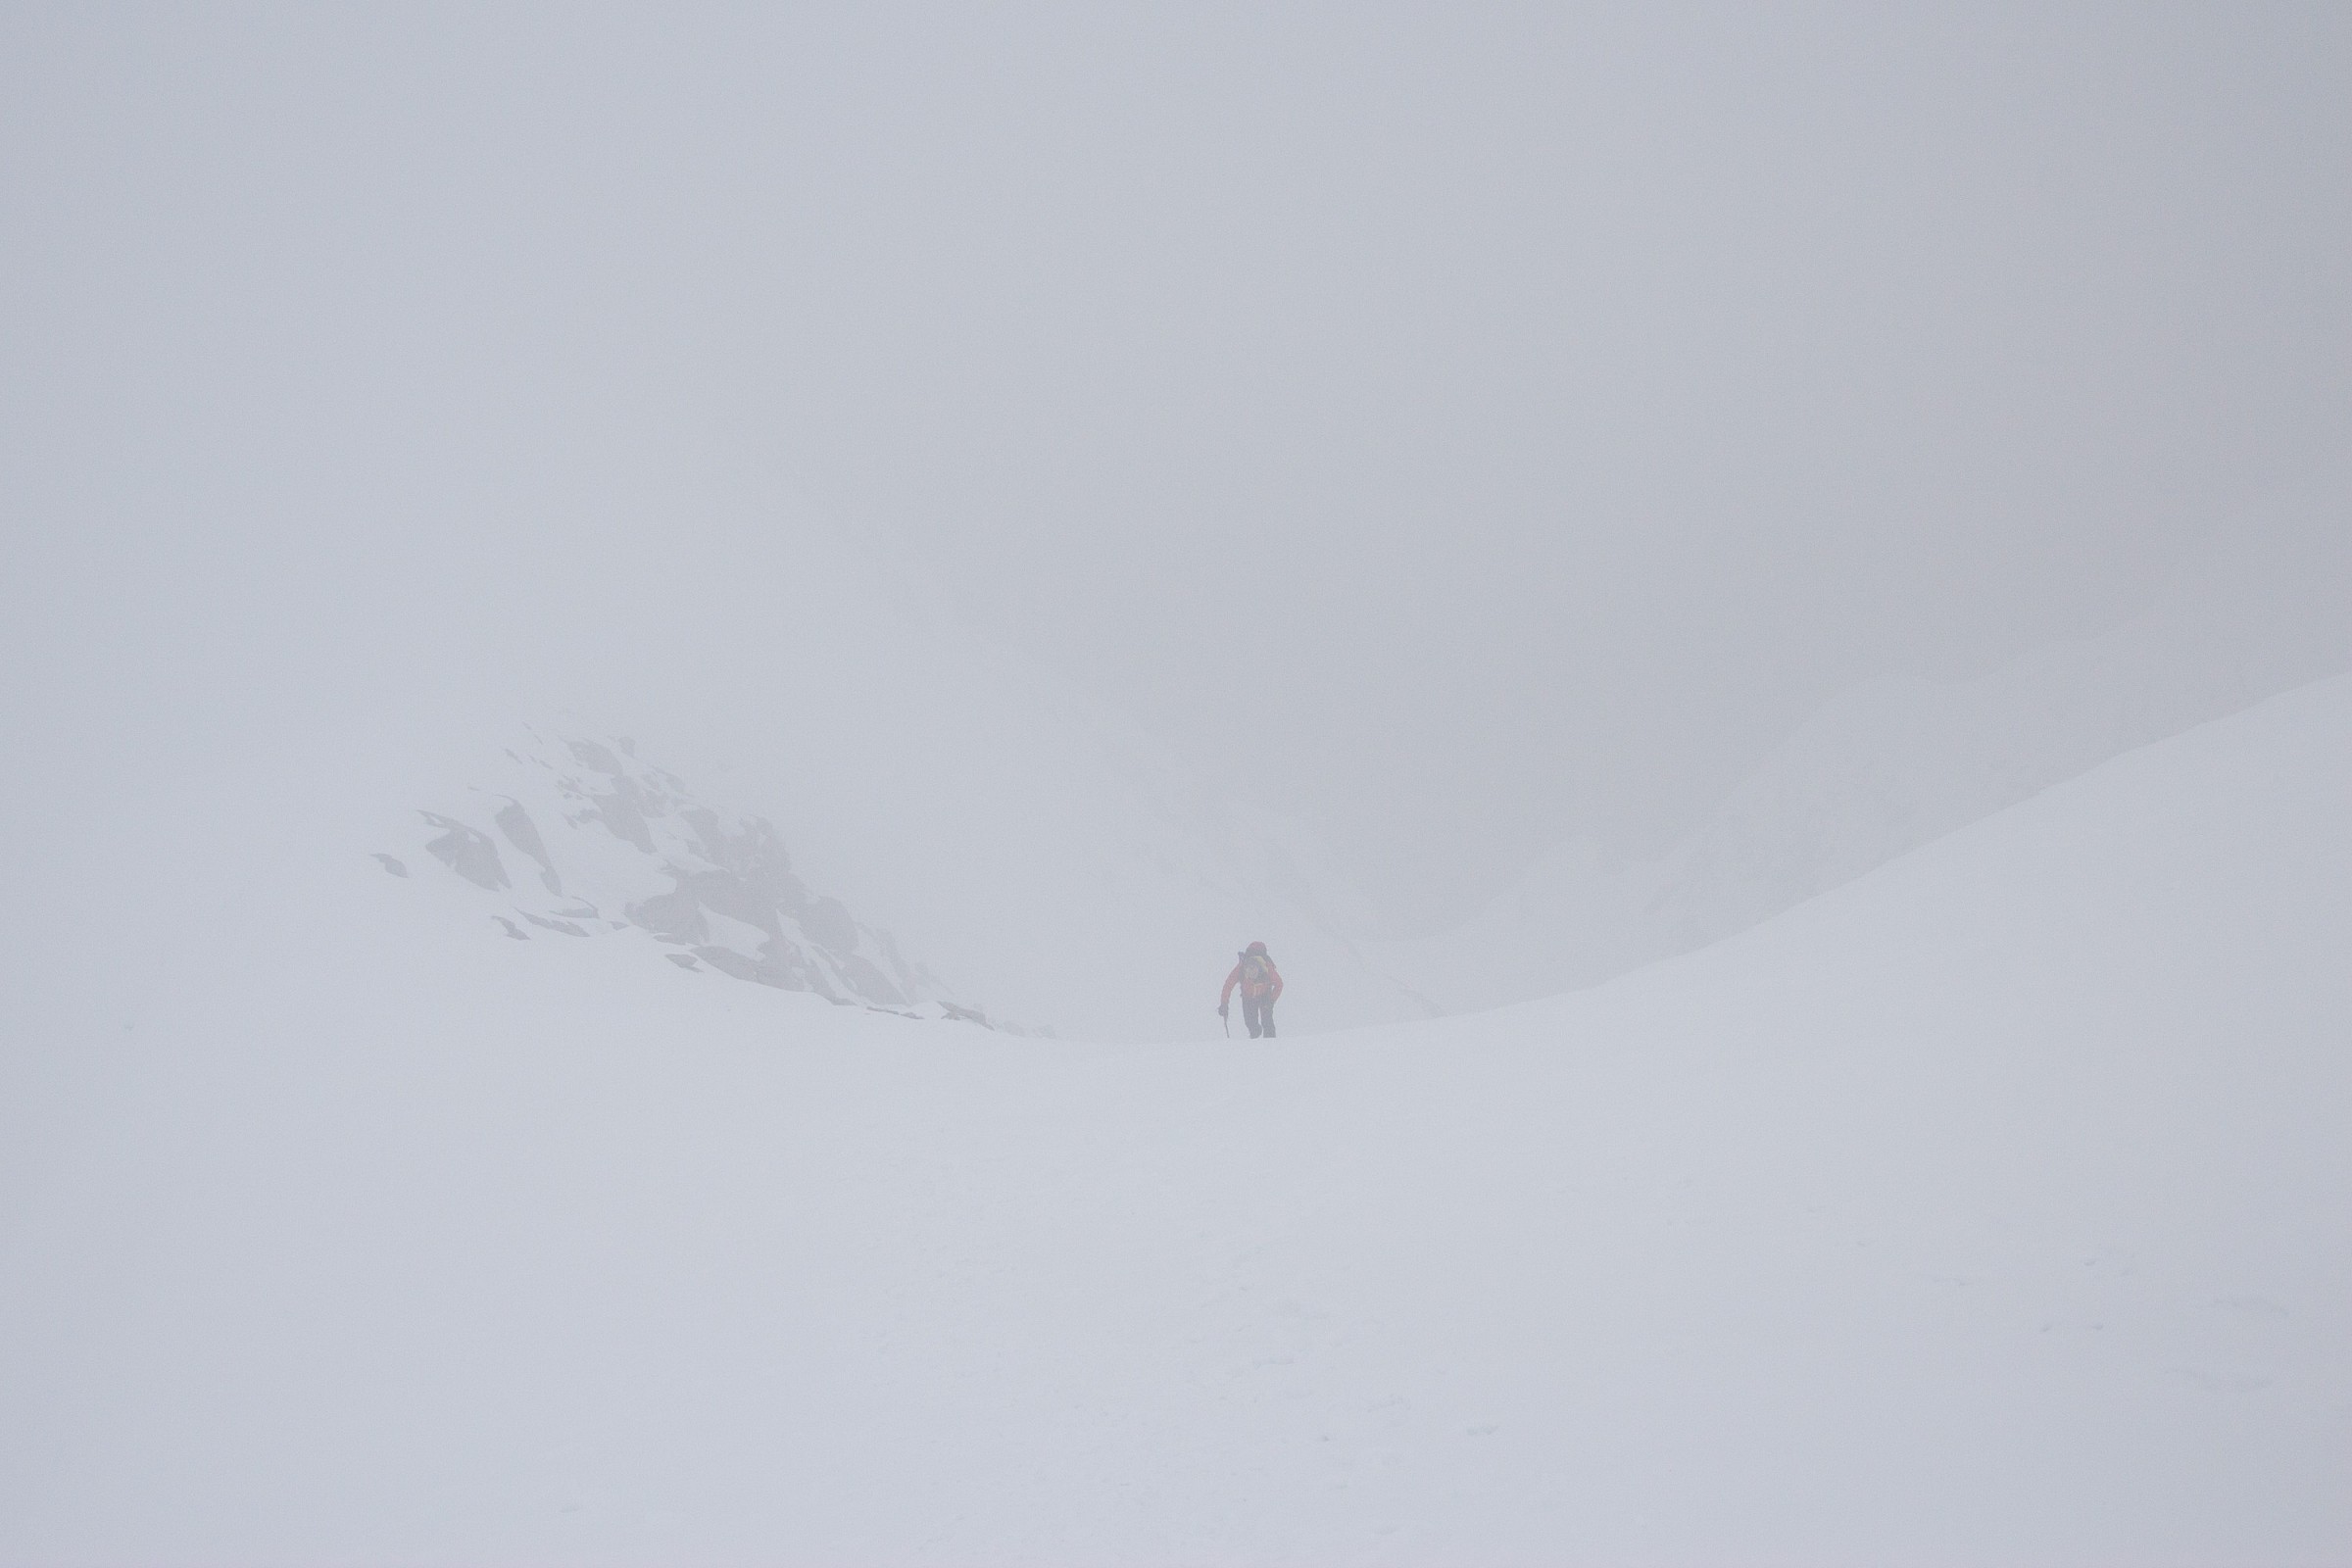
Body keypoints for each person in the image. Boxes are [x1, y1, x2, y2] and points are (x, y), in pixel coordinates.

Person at [1218, 941, 1284, 1038]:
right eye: (1248, 970)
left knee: (1267, 1022)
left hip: (1265, 996)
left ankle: (1270, 1046)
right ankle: (1254, 1042)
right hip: (1248, 996)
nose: (1251, 973)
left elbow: (1279, 984)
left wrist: (1271, 1000)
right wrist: (1224, 1004)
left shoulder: (1268, 969)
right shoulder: (1240, 969)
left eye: (1253, 969)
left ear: (1259, 967)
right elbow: (1228, 985)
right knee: (1250, 1024)